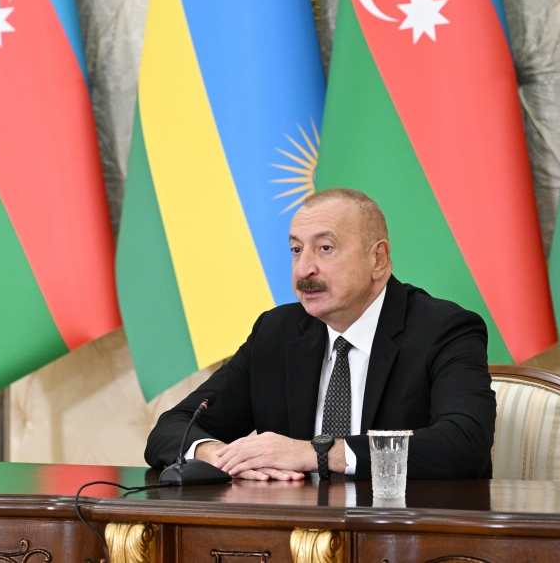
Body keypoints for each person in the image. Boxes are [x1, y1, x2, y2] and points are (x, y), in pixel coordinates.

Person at [145, 188, 496, 480]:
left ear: (378, 259)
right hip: (291, 530)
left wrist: (316, 453)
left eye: (325, 248)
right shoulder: (276, 333)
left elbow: (463, 445)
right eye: (296, 250)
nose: (304, 270)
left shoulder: (444, 329)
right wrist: (222, 456)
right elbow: (172, 428)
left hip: (401, 529)